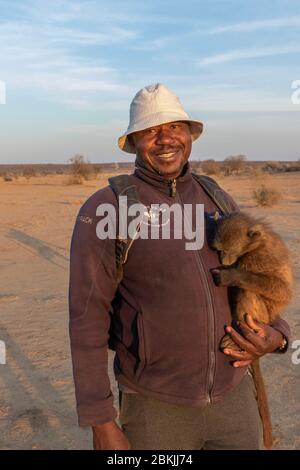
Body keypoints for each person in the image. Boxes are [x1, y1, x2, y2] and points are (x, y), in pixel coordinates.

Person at [69, 84, 290, 450]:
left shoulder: (216, 199)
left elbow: (267, 275)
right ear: (134, 140)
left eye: (175, 127)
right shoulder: (109, 208)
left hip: (232, 395)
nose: (165, 138)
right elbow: (86, 316)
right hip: (156, 405)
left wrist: (277, 335)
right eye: (151, 130)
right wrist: (101, 421)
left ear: (190, 135)